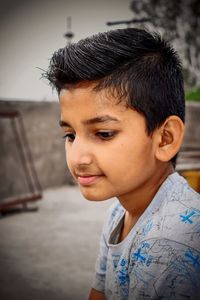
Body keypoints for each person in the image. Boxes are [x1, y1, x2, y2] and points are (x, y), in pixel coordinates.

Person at [45, 28, 200, 299]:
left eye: (104, 134)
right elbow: (99, 290)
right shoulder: (121, 210)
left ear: (165, 138)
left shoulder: (171, 244)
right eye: (70, 135)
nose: (78, 158)